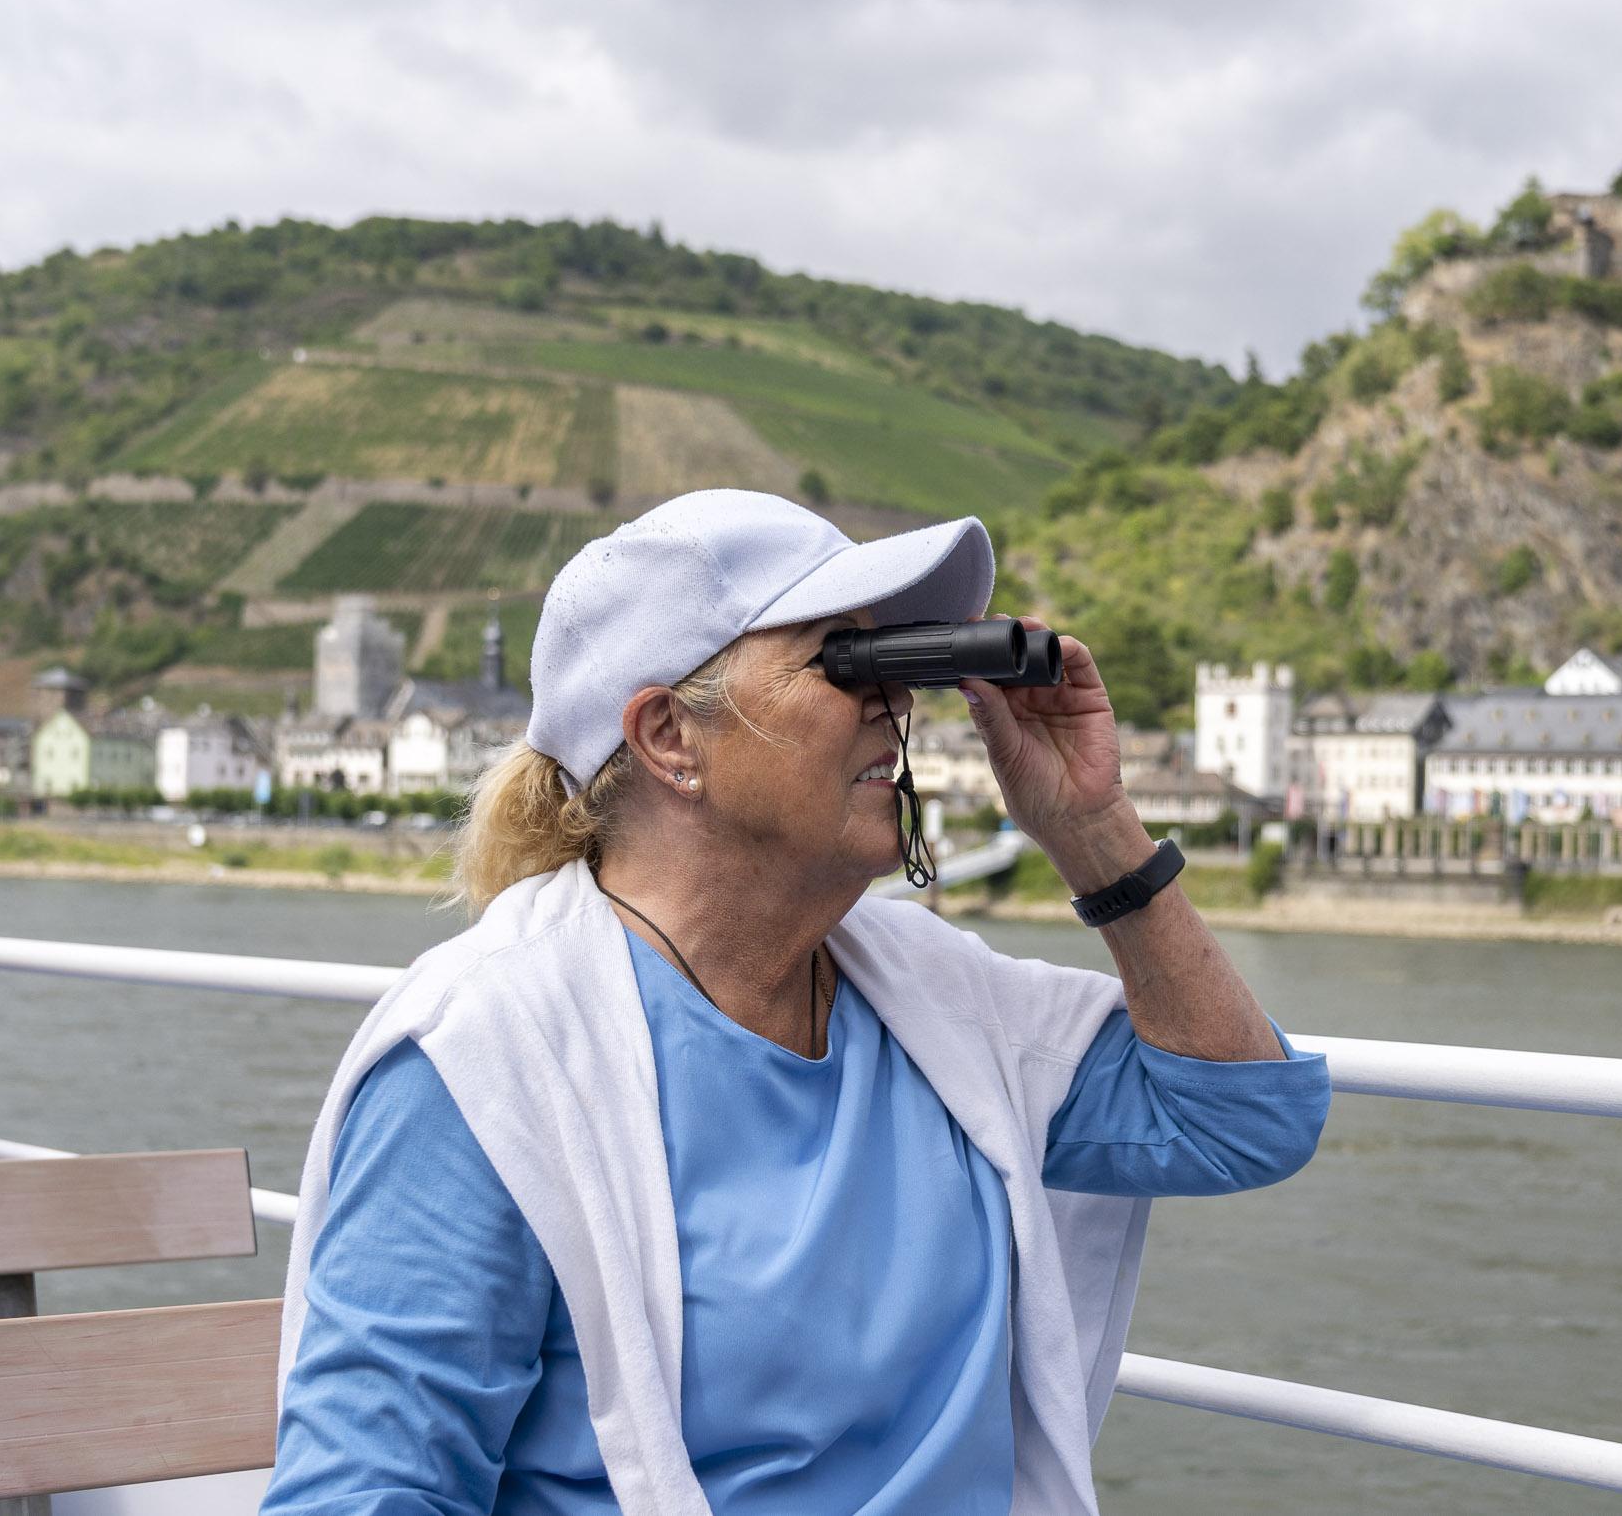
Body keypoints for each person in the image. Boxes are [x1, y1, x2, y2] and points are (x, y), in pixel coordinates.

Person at [264, 490, 1331, 1516]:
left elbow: (1242, 1117)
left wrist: (1090, 827)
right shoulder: (484, 1063)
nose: (897, 698)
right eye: (845, 659)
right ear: (669, 737)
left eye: (897, 658)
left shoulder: (930, 1001)